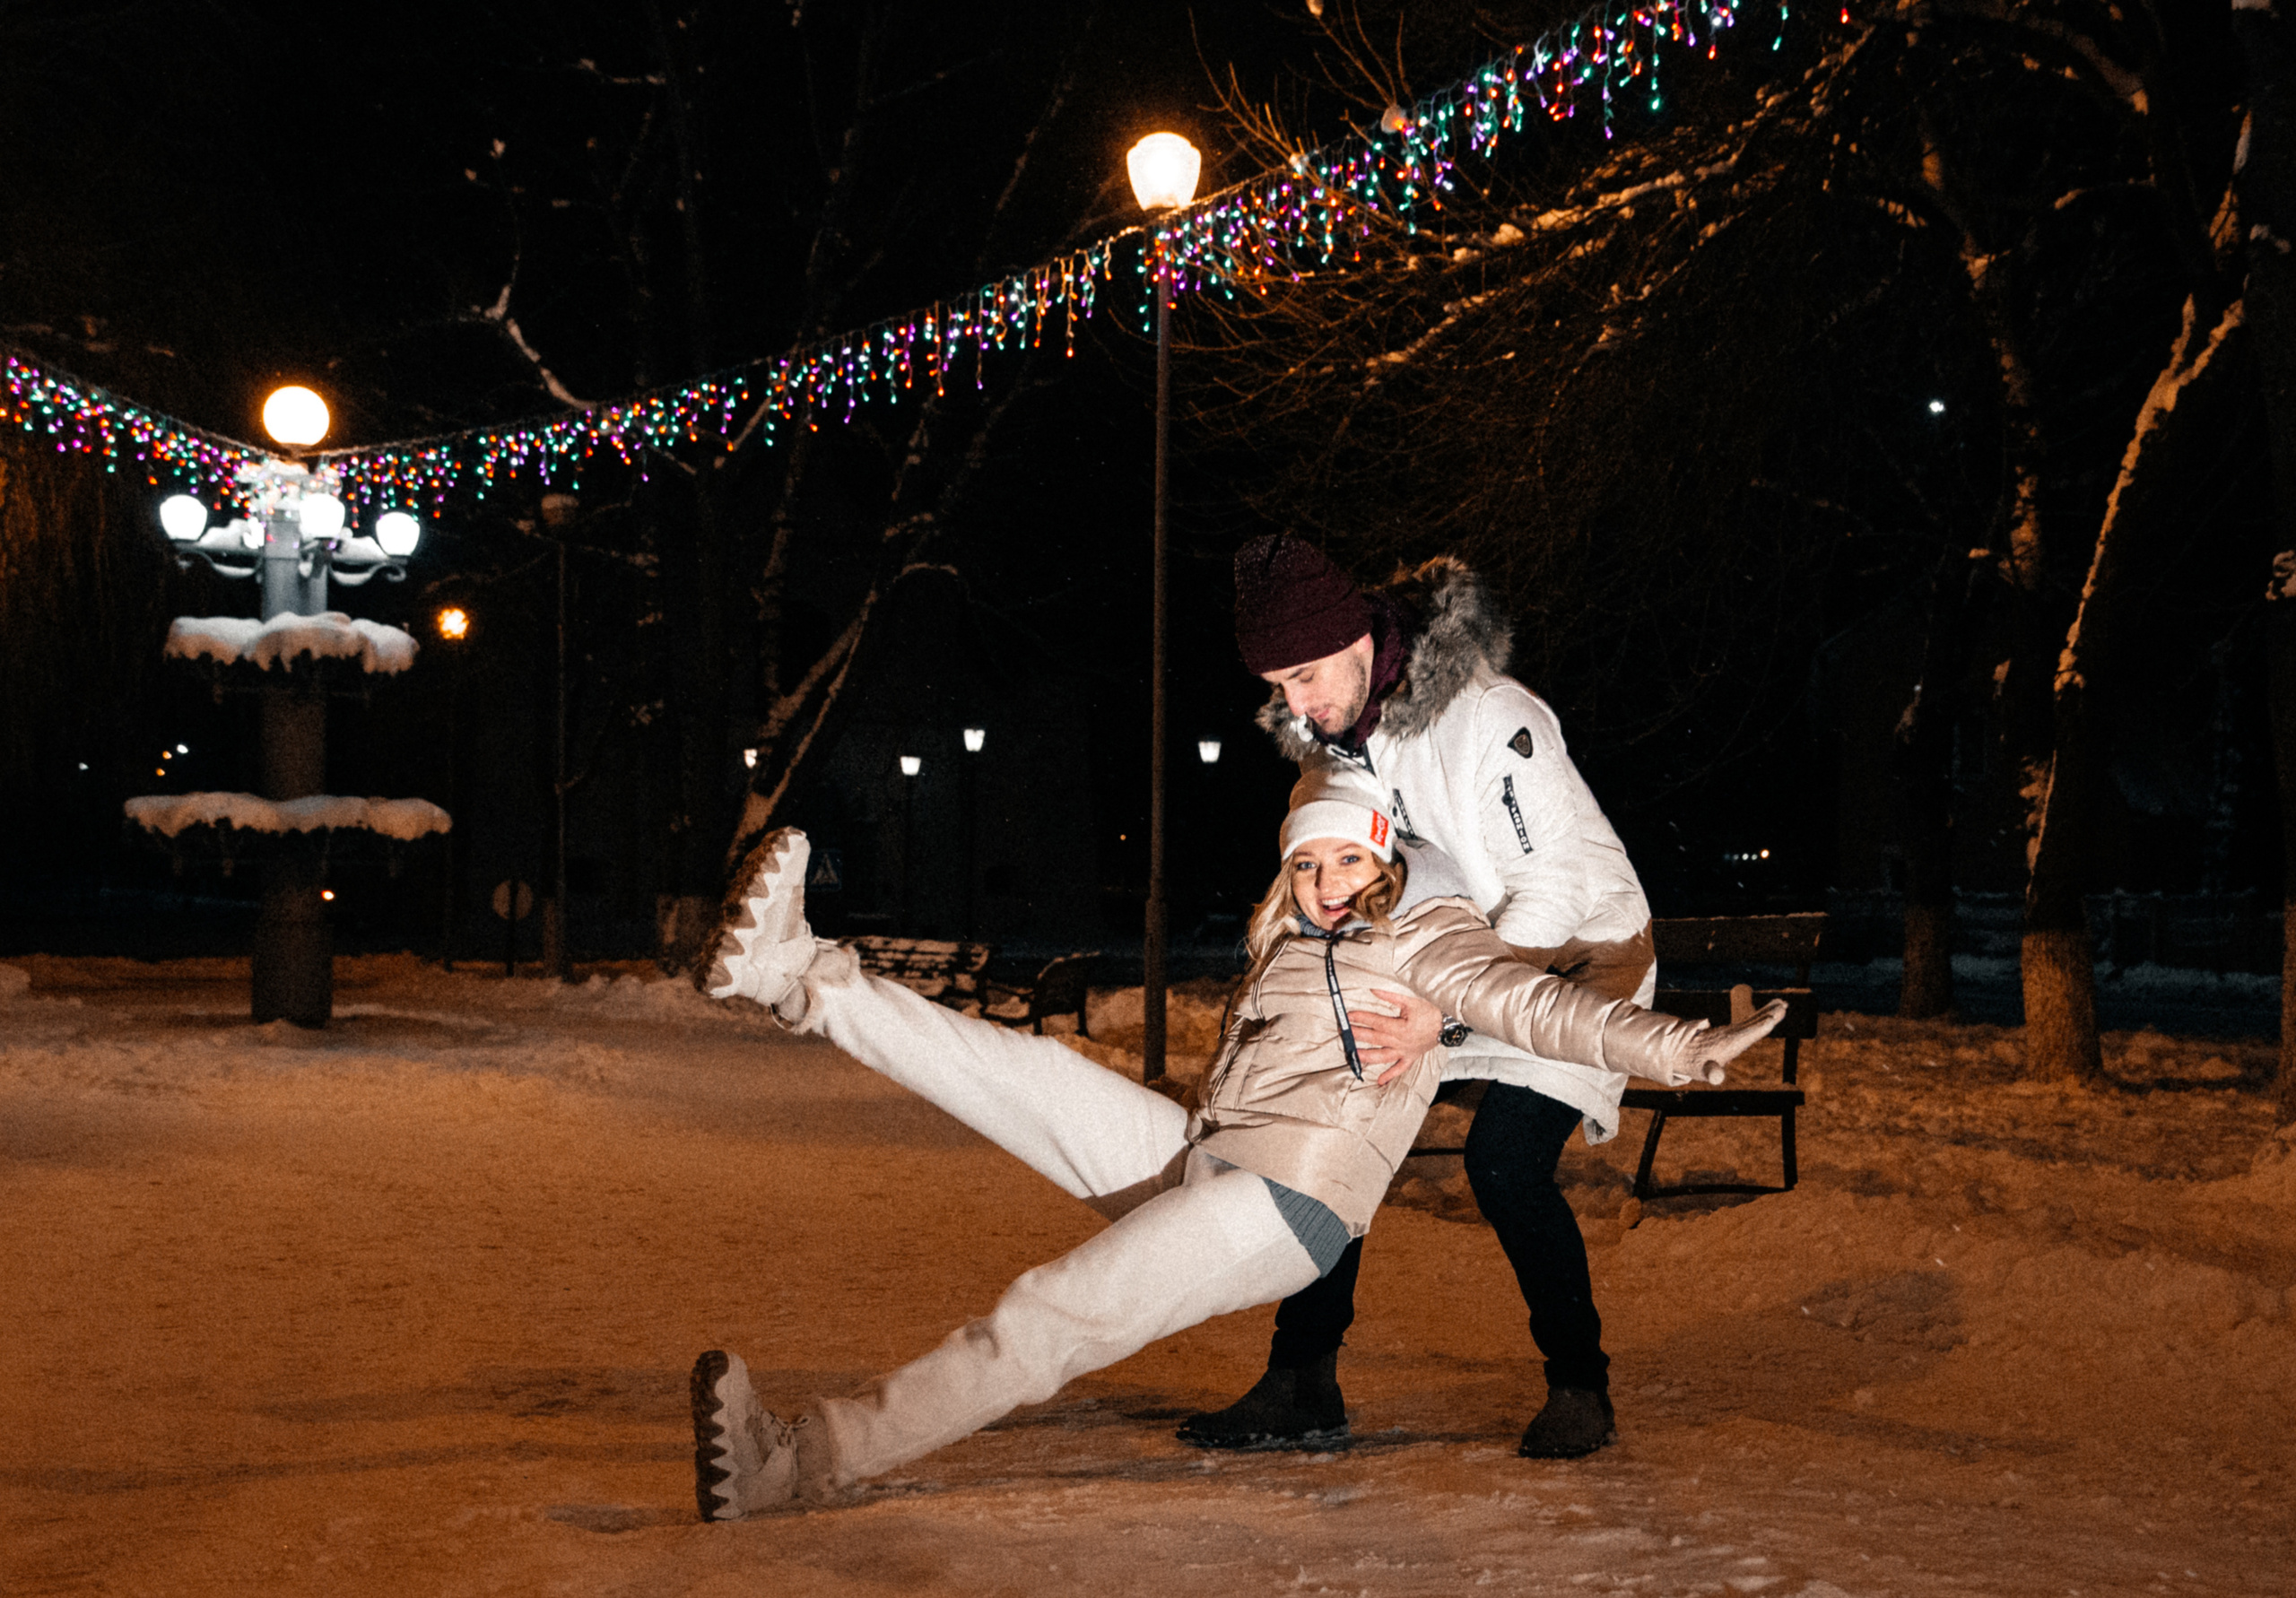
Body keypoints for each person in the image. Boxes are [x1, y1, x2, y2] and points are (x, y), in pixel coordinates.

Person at [691, 783, 1781, 1517]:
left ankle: (801, 1463)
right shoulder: (1288, 932)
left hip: (1287, 1202)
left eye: (1348, 860)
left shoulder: (1426, 935)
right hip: (1212, 1156)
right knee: (1024, 1073)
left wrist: (1686, 1048)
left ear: (1383, 858)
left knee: (1048, 1313)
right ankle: (798, 977)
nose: (1327, 882)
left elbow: (1545, 1011)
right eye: (1307, 864)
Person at [1191, 534, 1658, 1461]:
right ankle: (1301, 1380)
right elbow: (1340, 873)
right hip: (1446, 962)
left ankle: (1580, 1388)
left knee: (1505, 1163)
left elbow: (1555, 890)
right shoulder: (1335, 742)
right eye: (1281, 683)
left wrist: (1439, 1017)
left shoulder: (1491, 716)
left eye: (1311, 673)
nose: (1299, 703)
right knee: (1342, 1119)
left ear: (1362, 637)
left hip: (1574, 959)